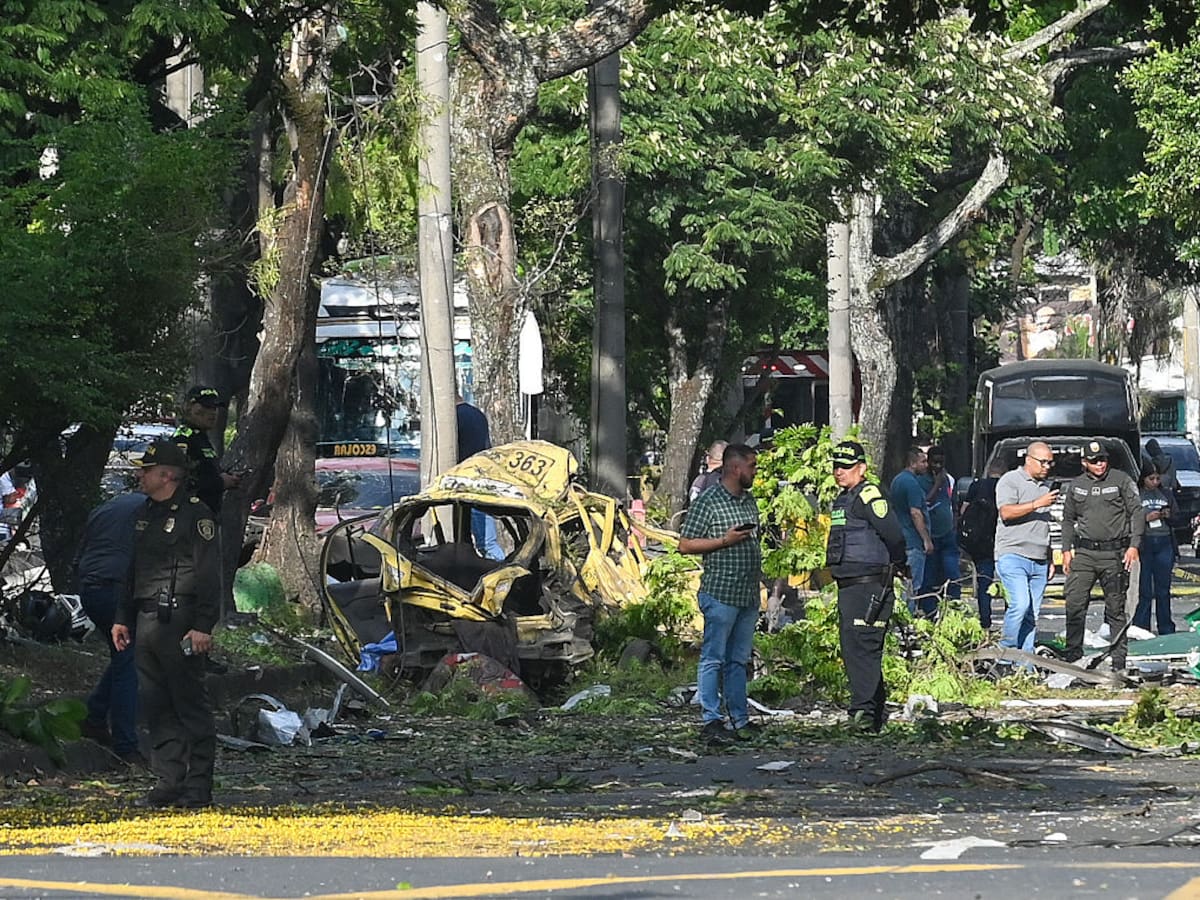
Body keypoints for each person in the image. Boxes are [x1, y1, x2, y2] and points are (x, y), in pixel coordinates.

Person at [112, 439, 221, 809]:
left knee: (189, 703)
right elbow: (134, 570)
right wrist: (122, 617)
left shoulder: (196, 515)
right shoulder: (146, 513)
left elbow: (208, 575)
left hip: (180, 618)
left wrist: (203, 625)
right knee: (156, 704)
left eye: (147, 470)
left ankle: (198, 786)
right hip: (146, 618)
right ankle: (168, 781)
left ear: (167, 476)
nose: (140, 476)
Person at [678, 443, 761, 746]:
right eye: (752, 466)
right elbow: (685, 544)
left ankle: (740, 719)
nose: (755, 472)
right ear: (736, 468)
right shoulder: (709, 501)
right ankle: (711, 719)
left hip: (747, 594)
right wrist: (724, 541)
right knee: (713, 657)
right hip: (721, 593)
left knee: (738, 660)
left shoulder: (749, 501)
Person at [825, 440, 906, 731]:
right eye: (836, 466)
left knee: (863, 647)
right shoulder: (844, 498)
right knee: (854, 648)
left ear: (862, 468)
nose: (839, 471)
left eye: (846, 467)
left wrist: (898, 564)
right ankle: (872, 713)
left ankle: (864, 714)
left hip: (869, 585)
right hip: (850, 586)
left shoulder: (870, 494)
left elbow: (894, 535)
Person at [74, 490, 147, 765]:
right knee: (130, 664)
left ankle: (94, 716)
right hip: (117, 589)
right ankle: (125, 745)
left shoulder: (109, 506)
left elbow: (81, 552)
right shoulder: (154, 511)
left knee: (124, 656)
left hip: (91, 587)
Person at [1061, 440, 1143, 674]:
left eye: (1103, 459)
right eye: (1094, 461)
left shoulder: (1121, 480)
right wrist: (1066, 550)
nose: (1100, 464)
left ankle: (1118, 662)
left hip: (1114, 554)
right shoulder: (1076, 485)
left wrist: (1134, 545)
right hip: (1084, 554)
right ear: (1084, 462)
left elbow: (1137, 512)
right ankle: (1073, 657)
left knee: (1115, 609)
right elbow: (1068, 519)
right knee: (1075, 604)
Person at [994, 441, 1059, 656]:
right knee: (1020, 605)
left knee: (1032, 613)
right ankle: (1005, 654)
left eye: (1050, 463)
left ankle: (1026, 662)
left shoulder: (1045, 487)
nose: (1047, 467)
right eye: (1043, 462)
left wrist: (1050, 557)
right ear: (1028, 460)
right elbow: (1006, 513)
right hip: (1013, 554)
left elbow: (1043, 525)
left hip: (1039, 558)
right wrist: (1036, 503)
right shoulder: (1010, 480)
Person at [174, 385, 240, 515]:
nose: (212, 412)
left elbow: (205, 471)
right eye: (207, 406)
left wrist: (226, 476)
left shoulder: (202, 438)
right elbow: (179, 480)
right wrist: (220, 482)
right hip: (189, 514)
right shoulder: (183, 438)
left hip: (207, 513)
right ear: (189, 407)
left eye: (215, 407)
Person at [456, 393, 503, 560]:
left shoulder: (453, 418)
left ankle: (504, 569)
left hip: (466, 484)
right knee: (485, 541)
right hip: (482, 480)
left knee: (486, 544)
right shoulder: (477, 414)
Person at [959, 460, 1005, 630]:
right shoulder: (1007, 486)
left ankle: (985, 619)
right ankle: (1011, 619)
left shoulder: (976, 486)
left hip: (980, 541)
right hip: (1003, 539)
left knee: (984, 581)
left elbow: (964, 511)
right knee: (1008, 582)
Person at [1135, 461, 1177, 636]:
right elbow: (1128, 518)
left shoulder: (1165, 493)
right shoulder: (1137, 494)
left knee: (1163, 589)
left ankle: (1166, 626)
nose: (1155, 482)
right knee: (1145, 589)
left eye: (1157, 478)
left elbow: (1176, 517)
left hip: (1164, 541)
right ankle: (1142, 626)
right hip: (1145, 542)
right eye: (1151, 478)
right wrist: (1145, 518)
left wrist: (1168, 514)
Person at [889, 447, 933, 614]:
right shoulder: (911, 483)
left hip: (900, 539)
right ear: (913, 463)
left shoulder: (897, 480)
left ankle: (901, 616)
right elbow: (915, 513)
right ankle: (908, 618)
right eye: (923, 461)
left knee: (901, 584)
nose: (926, 465)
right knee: (912, 585)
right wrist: (926, 539)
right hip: (913, 541)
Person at [920, 445, 961, 605]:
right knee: (929, 577)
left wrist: (955, 523)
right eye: (934, 462)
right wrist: (937, 484)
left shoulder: (949, 479)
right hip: (930, 535)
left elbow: (953, 503)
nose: (938, 466)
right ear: (928, 462)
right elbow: (923, 503)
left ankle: (953, 607)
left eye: (941, 463)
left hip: (947, 533)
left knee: (952, 575)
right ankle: (929, 611)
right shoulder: (921, 480)